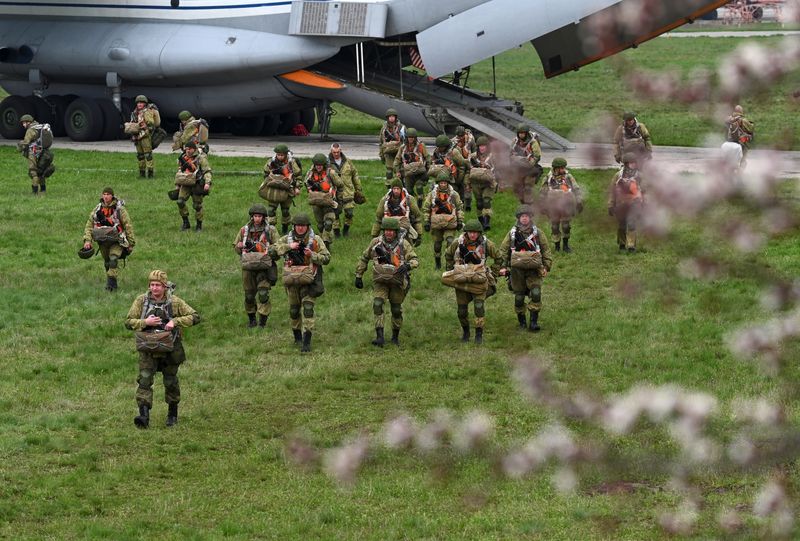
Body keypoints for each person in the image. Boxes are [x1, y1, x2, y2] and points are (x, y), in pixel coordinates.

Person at [125, 269, 201, 429]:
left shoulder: (175, 302)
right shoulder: (141, 301)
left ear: (165, 286)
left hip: (170, 349)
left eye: (158, 285)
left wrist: (175, 322)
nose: (154, 288)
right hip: (148, 348)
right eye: (152, 285)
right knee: (144, 380)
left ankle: (172, 414)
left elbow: (195, 317)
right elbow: (129, 321)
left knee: (170, 381)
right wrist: (145, 322)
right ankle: (143, 415)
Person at [354, 217, 418, 347]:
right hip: (380, 280)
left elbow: (415, 260)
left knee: (396, 309)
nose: (388, 233)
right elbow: (364, 257)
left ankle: (395, 337)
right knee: (378, 304)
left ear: (395, 231)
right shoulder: (375, 243)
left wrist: (407, 266)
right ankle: (380, 337)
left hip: (397, 281)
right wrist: (359, 275)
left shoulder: (403, 244)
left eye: (391, 231)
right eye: (386, 230)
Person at [271, 213, 330, 352]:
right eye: (298, 226)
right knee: (294, 310)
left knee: (308, 309)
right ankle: (297, 337)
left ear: (308, 227)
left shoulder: (315, 240)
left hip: (310, 281)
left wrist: (312, 255)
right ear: (294, 226)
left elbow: (327, 258)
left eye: (303, 226)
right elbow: (272, 252)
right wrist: (288, 247)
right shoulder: (286, 239)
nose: (301, 228)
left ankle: (306, 341)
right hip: (292, 281)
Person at [444, 219, 502, 344]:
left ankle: (479, 334)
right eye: (470, 232)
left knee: (479, 307)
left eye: (475, 232)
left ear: (479, 233)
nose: (472, 235)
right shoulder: (458, 242)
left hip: (479, 280)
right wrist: (451, 270)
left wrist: (494, 273)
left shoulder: (486, 243)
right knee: (461, 311)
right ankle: (466, 332)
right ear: (466, 232)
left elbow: (498, 257)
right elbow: (448, 254)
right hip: (462, 280)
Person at [499, 205, 553, 332]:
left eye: (527, 216)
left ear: (530, 218)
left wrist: (546, 266)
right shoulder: (512, 233)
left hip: (534, 269)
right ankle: (521, 321)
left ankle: (533, 322)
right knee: (519, 297)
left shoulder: (537, 233)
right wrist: (502, 266)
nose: (524, 219)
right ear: (519, 218)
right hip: (517, 270)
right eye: (522, 216)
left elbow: (546, 250)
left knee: (536, 293)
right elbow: (503, 250)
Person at [234, 204, 279, 328]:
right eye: (255, 216)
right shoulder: (244, 230)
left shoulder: (271, 230)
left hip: (265, 267)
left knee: (263, 294)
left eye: (259, 216)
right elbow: (236, 247)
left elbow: (279, 248)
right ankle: (252, 319)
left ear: (264, 217)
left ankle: (262, 322)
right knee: (249, 296)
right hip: (248, 267)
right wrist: (239, 247)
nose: (257, 219)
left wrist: (268, 250)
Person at [82, 187, 136, 291]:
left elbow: (128, 225)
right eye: (104, 194)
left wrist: (131, 243)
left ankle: (111, 286)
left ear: (112, 196)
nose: (106, 196)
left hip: (117, 240)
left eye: (108, 194)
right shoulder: (97, 209)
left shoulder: (119, 209)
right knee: (107, 262)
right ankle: (110, 279)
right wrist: (87, 241)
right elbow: (89, 225)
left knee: (113, 259)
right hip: (103, 241)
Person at [538, 157, 584, 253]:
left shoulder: (568, 177)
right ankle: (557, 246)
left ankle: (566, 245)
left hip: (566, 205)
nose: (563, 170)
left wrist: (579, 201)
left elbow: (576, 189)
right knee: (555, 226)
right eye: (561, 168)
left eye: (564, 168)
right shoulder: (548, 178)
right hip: (553, 206)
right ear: (556, 168)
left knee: (566, 226)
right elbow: (542, 192)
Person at [422, 173, 464, 270]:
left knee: (450, 241)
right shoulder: (432, 194)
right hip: (436, 223)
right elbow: (426, 208)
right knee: (437, 244)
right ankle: (437, 263)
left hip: (450, 222)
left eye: (445, 183)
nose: (443, 184)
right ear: (438, 183)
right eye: (441, 183)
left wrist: (460, 221)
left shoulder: (454, 194)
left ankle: (449, 263)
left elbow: (459, 208)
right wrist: (427, 221)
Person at [262, 143, 302, 234]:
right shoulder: (271, 162)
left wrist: (297, 187)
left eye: (282, 155)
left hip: (287, 189)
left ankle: (285, 228)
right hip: (274, 189)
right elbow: (265, 173)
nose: (280, 157)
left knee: (285, 211)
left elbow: (298, 175)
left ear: (285, 154)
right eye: (278, 154)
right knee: (271, 210)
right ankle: (272, 230)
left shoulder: (291, 162)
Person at [305, 153, 343, 248]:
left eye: (320, 165)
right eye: (317, 165)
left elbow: (340, 185)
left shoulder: (331, 173)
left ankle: (326, 244)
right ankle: (321, 245)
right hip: (317, 202)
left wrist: (340, 200)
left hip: (329, 203)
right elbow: (306, 184)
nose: (318, 167)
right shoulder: (310, 174)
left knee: (328, 223)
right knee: (320, 225)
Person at [608, 153, 644, 253]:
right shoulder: (618, 176)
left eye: (635, 162)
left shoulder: (639, 176)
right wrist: (611, 205)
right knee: (622, 225)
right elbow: (612, 191)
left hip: (634, 204)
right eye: (632, 163)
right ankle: (622, 244)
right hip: (621, 205)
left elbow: (645, 190)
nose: (634, 164)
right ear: (626, 163)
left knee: (632, 224)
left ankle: (631, 245)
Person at [372, 178, 423, 246]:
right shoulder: (385, 200)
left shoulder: (409, 199)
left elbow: (417, 217)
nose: (396, 191)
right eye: (394, 188)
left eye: (398, 189)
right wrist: (374, 236)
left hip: (404, 228)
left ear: (401, 189)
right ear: (392, 189)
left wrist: (419, 235)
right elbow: (378, 219)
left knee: (406, 249)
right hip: (389, 229)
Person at [175, 141, 212, 231]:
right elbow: (179, 172)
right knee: (180, 201)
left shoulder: (200, 158)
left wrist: (207, 183)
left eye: (189, 149)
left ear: (193, 149)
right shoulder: (183, 157)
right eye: (186, 149)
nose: (187, 151)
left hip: (197, 184)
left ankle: (199, 225)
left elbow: (207, 171)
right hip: (185, 183)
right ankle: (186, 222)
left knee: (197, 206)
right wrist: (177, 184)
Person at [328, 142, 364, 238]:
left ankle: (346, 230)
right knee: (335, 214)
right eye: (334, 152)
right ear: (331, 151)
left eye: (338, 152)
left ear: (341, 151)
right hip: (334, 194)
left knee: (349, 213)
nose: (336, 154)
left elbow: (355, 174)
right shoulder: (327, 163)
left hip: (348, 192)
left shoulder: (348, 162)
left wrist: (358, 188)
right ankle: (336, 233)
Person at [17, 114, 54, 195]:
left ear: (28, 122)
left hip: (33, 152)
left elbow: (26, 143)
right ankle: (43, 190)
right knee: (41, 171)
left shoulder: (30, 130)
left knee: (33, 172)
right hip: (42, 151)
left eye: (24, 123)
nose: (23, 124)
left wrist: (20, 146)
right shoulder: (39, 127)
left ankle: (34, 192)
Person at [393, 127, 430, 208]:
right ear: (406, 138)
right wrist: (397, 171)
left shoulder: (421, 146)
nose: (411, 139)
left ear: (415, 138)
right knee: (408, 190)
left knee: (419, 186)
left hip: (419, 172)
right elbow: (397, 160)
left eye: (412, 137)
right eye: (409, 137)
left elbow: (427, 158)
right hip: (408, 173)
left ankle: (420, 203)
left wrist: (428, 170)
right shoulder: (403, 148)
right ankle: (413, 203)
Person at [468, 135, 496, 231]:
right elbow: (469, 170)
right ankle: (480, 221)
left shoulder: (492, 157)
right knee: (479, 203)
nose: (482, 148)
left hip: (488, 183)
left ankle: (486, 222)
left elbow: (497, 170)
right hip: (476, 183)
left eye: (484, 146)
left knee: (486, 201)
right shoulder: (473, 157)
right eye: (480, 146)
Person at [429, 133, 468, 202]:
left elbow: (462, 166)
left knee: (455, 194)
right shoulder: (437, 151)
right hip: (442, 176)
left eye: (441, 147)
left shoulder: (454, 152)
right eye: (438, 146)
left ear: (446, 146)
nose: (439, 148)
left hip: (454, 177)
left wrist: (458, 180)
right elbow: (432, 162)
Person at [510, 123, 543, 204]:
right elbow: (510, 153)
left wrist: (529, 164)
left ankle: (529, 204)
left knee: (528, 187)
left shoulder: (533, 142)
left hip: (530, 167)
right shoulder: (515, 141)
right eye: (520, 133)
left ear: (526, 133)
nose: (521, 135)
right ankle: (523, 203)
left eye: (523, 133)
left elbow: (537, 156)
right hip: (518, 167)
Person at [130, 95, 157, 178]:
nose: (139, 104)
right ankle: (141, 173)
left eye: (141, 102)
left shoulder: (147, 112)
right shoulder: (135, 113)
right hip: (137, 136)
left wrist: (145, 126)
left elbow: (151, 124)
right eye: (138, 102)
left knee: (148, 155)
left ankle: (150, 173)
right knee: (140, 156)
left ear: (145, 104)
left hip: (145, 136)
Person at [451, 126, 476, 210]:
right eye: (459, 136)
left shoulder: (471, 140)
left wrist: (470, 158)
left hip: (469, 166)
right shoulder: (454, 142)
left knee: (467, 185)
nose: (460, 138)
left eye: (462, 136)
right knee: (459, 186)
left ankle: (468, 204)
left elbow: (475, 152)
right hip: (458, 167)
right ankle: (460, 204)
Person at [378, 108, 405, 186]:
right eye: (390, 116)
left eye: (393, 116)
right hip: (388, 152)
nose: (391, 118)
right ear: (387, 118)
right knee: (389, 170)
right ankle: (389, 186)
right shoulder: (384, 129)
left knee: (399, 170)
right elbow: (381, 142)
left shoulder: (401, 128)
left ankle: (401, 186)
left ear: (396, 117)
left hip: (398, 152)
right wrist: (381, 154)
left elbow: (405, 140)